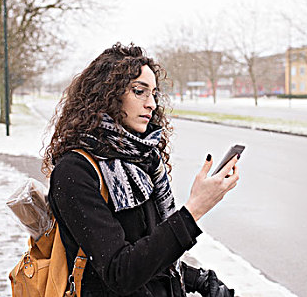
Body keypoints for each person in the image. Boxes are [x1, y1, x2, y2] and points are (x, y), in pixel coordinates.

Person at [42, 43, 240, 296]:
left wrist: (198, 279)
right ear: (107, 95)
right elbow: (120, 272)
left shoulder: (143, 161)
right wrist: (194, 210)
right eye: (139, 92)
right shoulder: (75, 171)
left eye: (154, 94)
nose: (152, 104)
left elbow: (150, 254)